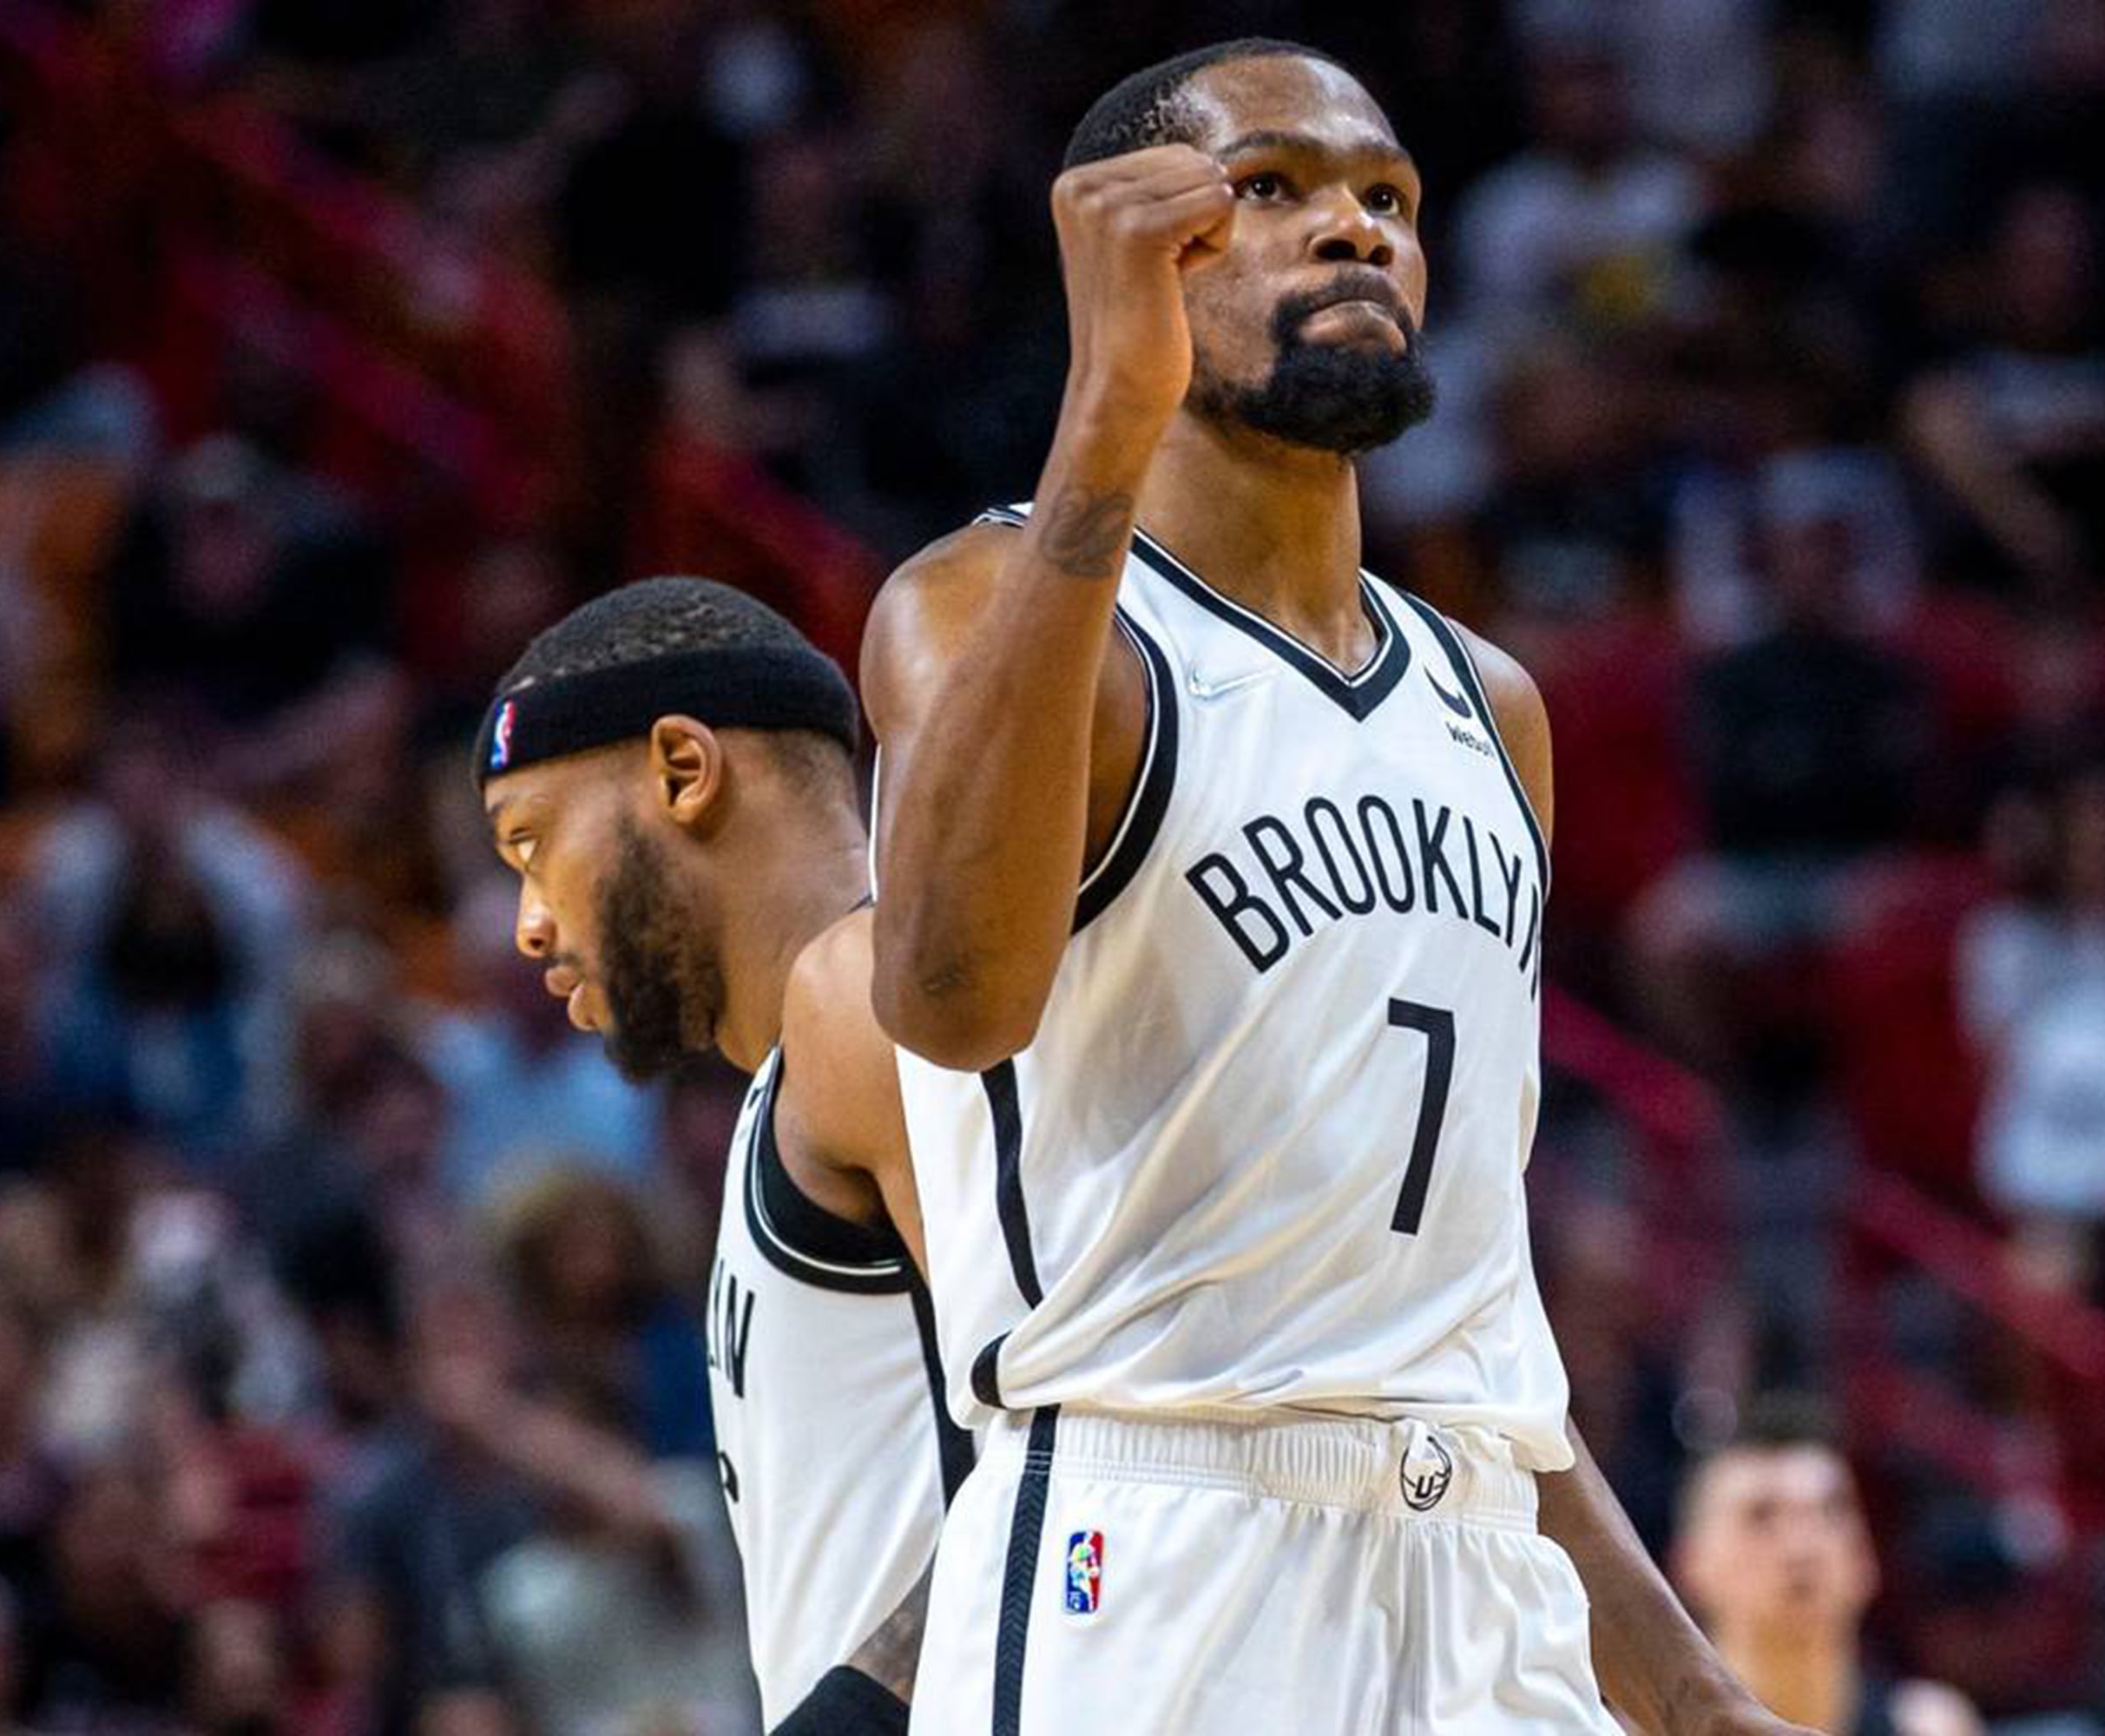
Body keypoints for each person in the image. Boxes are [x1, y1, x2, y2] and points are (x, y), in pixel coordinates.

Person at [862, 37, 1798, 1736]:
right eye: (1273, 188)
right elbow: (947, 999)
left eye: (1388, 200)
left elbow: (1466, 1305)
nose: (1355, 230)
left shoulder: (1491, 708)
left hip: (1478, 1569)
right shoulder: (988, 607)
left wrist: (1693, 1690)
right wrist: (1105, 415)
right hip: (1159, 1555)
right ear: (1131, 243)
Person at [474, 577, 966, 1732]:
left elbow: (1096, 1437)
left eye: (534, 844)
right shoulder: (788, 1082)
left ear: (683, 772)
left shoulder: (883, 1011)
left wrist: (854, 1712)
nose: (529, 924)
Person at [1669, 1403, 1984, 1736]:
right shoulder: (1635, 1730)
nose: (1802, 1546)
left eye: (1830, 1511)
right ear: (1689, 1563)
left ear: (1866, 1557)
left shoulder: (1932, 1726)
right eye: (1761, 1515)